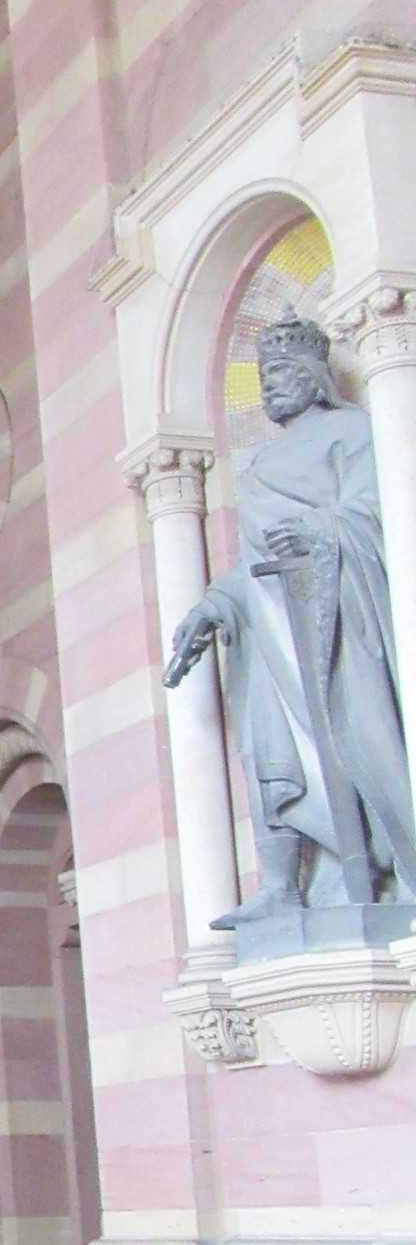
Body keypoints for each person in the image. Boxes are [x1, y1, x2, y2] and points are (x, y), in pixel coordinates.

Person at [166, 310, 416, 925]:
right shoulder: (261, 466)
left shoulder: (353, 432)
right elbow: (253, 560)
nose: (268, 388)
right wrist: (211, 605)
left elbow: (381, 514)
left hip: (339, 621)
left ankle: (395, 869)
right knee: (269, 752)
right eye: (262, 378)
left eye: (278, 374)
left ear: (311, 374)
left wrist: (322, 532)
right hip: (271, 634)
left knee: (367, 740)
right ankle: (282, 886)